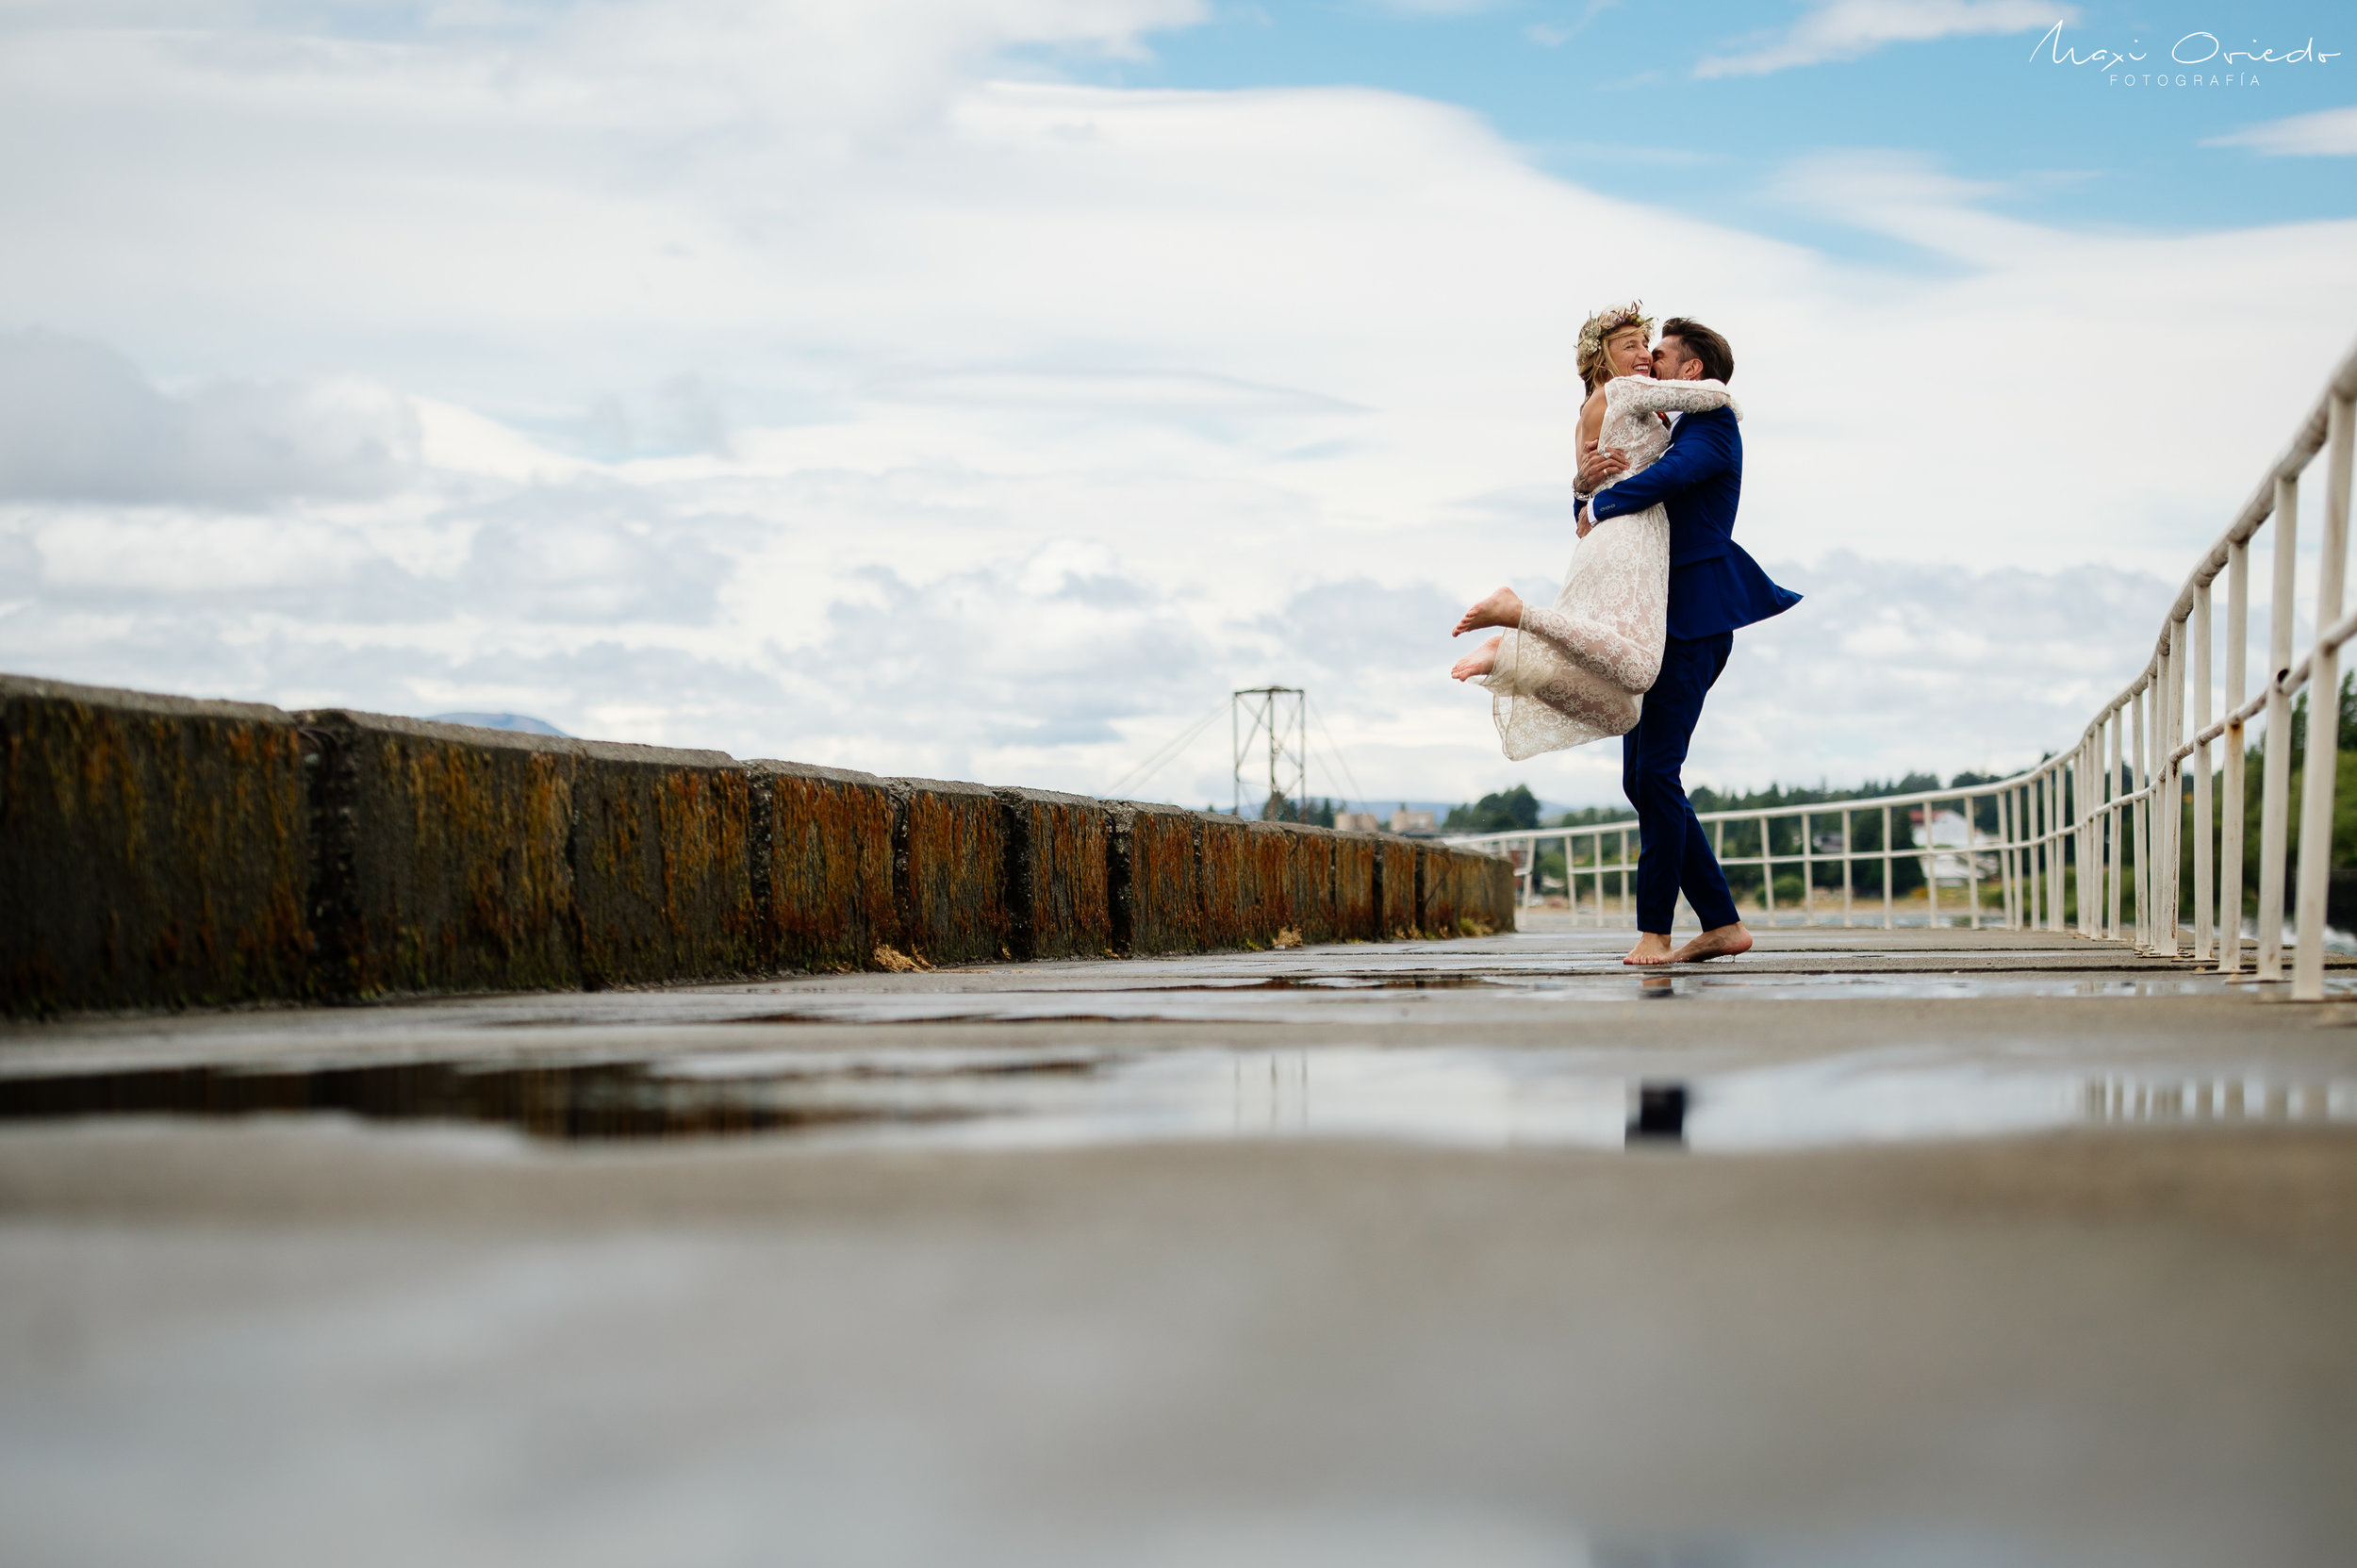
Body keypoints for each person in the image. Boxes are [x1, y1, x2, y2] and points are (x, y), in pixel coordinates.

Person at [1453, 313, 1798, 966]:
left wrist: (1599, 507)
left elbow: (1659, 484)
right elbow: (1619, 477)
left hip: (1693, 619)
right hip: (1657, 615)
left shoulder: (1711, 427)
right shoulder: (1665, 424)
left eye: (1660, 353)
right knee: (1642, 779)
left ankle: (1656, 932)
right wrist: (1584, 487)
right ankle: (1721, 921)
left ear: (1690, 371)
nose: (1650, 362)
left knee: (1657, 772)